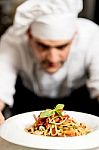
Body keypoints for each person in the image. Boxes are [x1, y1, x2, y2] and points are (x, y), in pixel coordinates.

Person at [0, 0, 99, 124]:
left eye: (62, 47)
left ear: (74, 36)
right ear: (30, 35)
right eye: (43, 46)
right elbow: (1, 83)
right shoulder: (13, 41)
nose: (53, 58)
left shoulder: (92, 37)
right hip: (28, 109)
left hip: (80, 108)